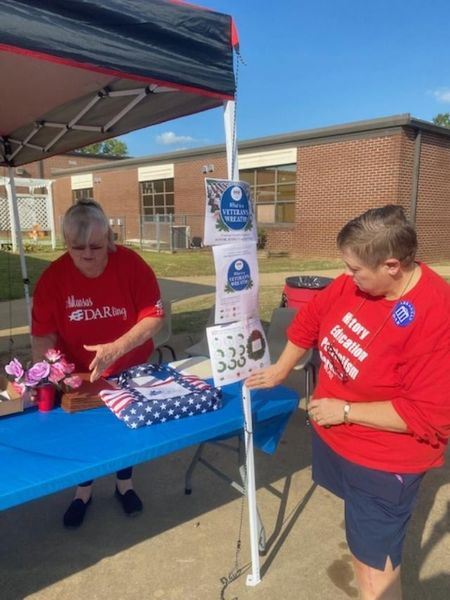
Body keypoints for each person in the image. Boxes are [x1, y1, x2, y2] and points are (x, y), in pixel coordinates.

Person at [246, 205, 450, 600]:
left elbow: (429, 416)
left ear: (392, 265)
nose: (348, 277)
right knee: (364, 554)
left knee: (379, 575)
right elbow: (310, 321)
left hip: (384, 458)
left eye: (356, 269)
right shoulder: (353, 285)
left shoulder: (436, 315)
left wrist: (343, 410)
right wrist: (281, 369)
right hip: (340, 440)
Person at [32, 199, 164, 528]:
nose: (88, 255)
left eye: (96, 246)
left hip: (130, 366)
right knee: (87, 436)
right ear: (66, 245)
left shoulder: (131, 265)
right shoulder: (53, 279)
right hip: (79, 374)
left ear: (110, 240)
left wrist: (117, 348)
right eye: (78, 248)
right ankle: (83, 491)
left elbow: (153, 317)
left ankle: (124, 485)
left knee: (126, 431)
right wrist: (45, 372)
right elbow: (42, 335)